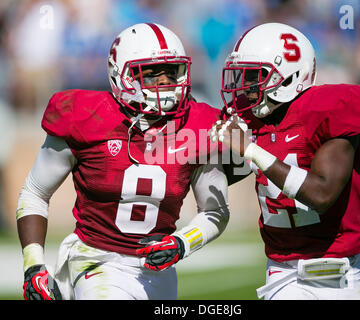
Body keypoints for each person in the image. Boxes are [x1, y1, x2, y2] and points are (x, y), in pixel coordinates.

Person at [17, 23, 229, 300]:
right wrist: (33, 264)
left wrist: (181, 243)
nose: (165, 82)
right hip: (96, 261)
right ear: (122, 77)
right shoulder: (86, 117)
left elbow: (215, 210)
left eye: (172, 71)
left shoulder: (198, 125)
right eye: (151, 73)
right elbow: (35, 192)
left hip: (159, 271)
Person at [210, 22, 360, 300]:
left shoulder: (330, 109)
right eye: (242, 77)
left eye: (255, 77)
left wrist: (251, 150)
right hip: (281, 271)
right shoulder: (249, 120)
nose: (245, 87)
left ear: (289, 76)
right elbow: (218, 173)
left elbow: (321, 194)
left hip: (337, 271)